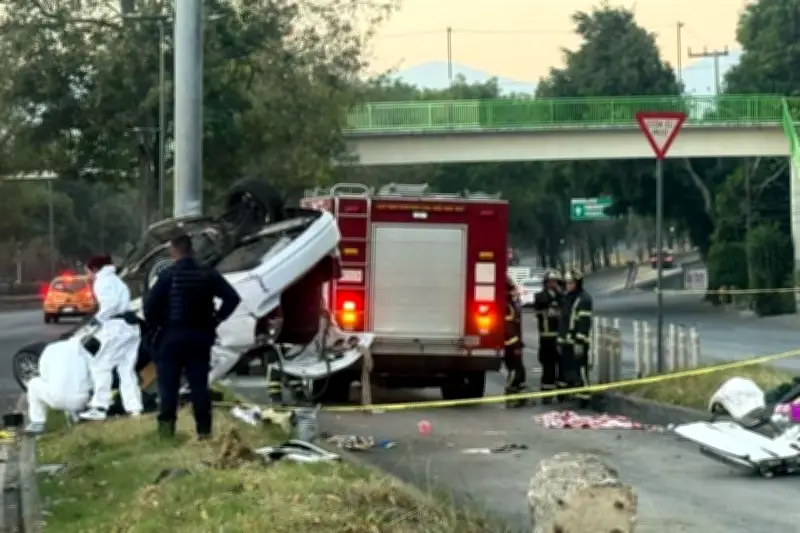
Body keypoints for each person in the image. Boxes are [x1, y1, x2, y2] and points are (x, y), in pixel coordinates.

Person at [144, 233, 241, 439]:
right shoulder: (208, 274)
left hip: (171, 338)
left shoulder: (167, 276)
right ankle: (204, 432)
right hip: (200, 337)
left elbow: (150, 306)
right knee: (199, 386)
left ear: (173, 252)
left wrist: (156, 328)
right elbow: (232, 298)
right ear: (192, 250)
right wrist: (216, 319)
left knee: (168, 386)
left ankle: (166, 433)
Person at [79, 255, 143, 421]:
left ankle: (100, 407)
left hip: (116, 328)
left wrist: (96, 321)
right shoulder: (117, 280)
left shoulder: (101, 281)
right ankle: (134, 407)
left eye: (87, 272)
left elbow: (111, 305)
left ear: (94, 269)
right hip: (131, 327)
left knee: (100, 364)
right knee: (126, 369)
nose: (88, 276)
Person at [26, 338, 93, 433]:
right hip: (82, 400)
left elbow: (44, 375)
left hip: (57, 399)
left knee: (33, 383)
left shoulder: (50, 349)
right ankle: (77, 417)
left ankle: (38, 423)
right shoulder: (83, 350)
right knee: (76, 385)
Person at [556, 268, 593, 406]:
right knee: (569, 371)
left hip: (577, 343)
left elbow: (584, 323)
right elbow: (564, 321)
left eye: (571, 283)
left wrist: (579, 342)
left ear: (578, 283)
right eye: (567, 283)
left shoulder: (584, 299)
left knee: (581, 370)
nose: (568, 285)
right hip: (566, 342)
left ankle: (585, 397)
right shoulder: (567, 298)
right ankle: (572, 395)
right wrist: (560, 340)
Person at [533, 269, 563, 404]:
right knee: (548, 367)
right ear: (545, 283)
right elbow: (543, 304)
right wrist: (554, 300)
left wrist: (559, 294)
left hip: (560, 337)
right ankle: (547, 394)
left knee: (562, 366)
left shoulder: (561, 295)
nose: (553, 284)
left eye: (555, 282)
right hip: (547, 338)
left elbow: (564, 304)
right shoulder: (540, 296)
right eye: (551, 282)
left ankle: (562, 394)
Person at [504, 276, 528, 407]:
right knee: (514, 371)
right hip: (510, 345)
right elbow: (508, 328)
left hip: (514, 343)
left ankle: (519, 396)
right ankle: (511, 395)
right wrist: (516, 344)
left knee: (519, 370)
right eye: (513, 290)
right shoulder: (507, 306)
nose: (516, 292)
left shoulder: (511, 305)